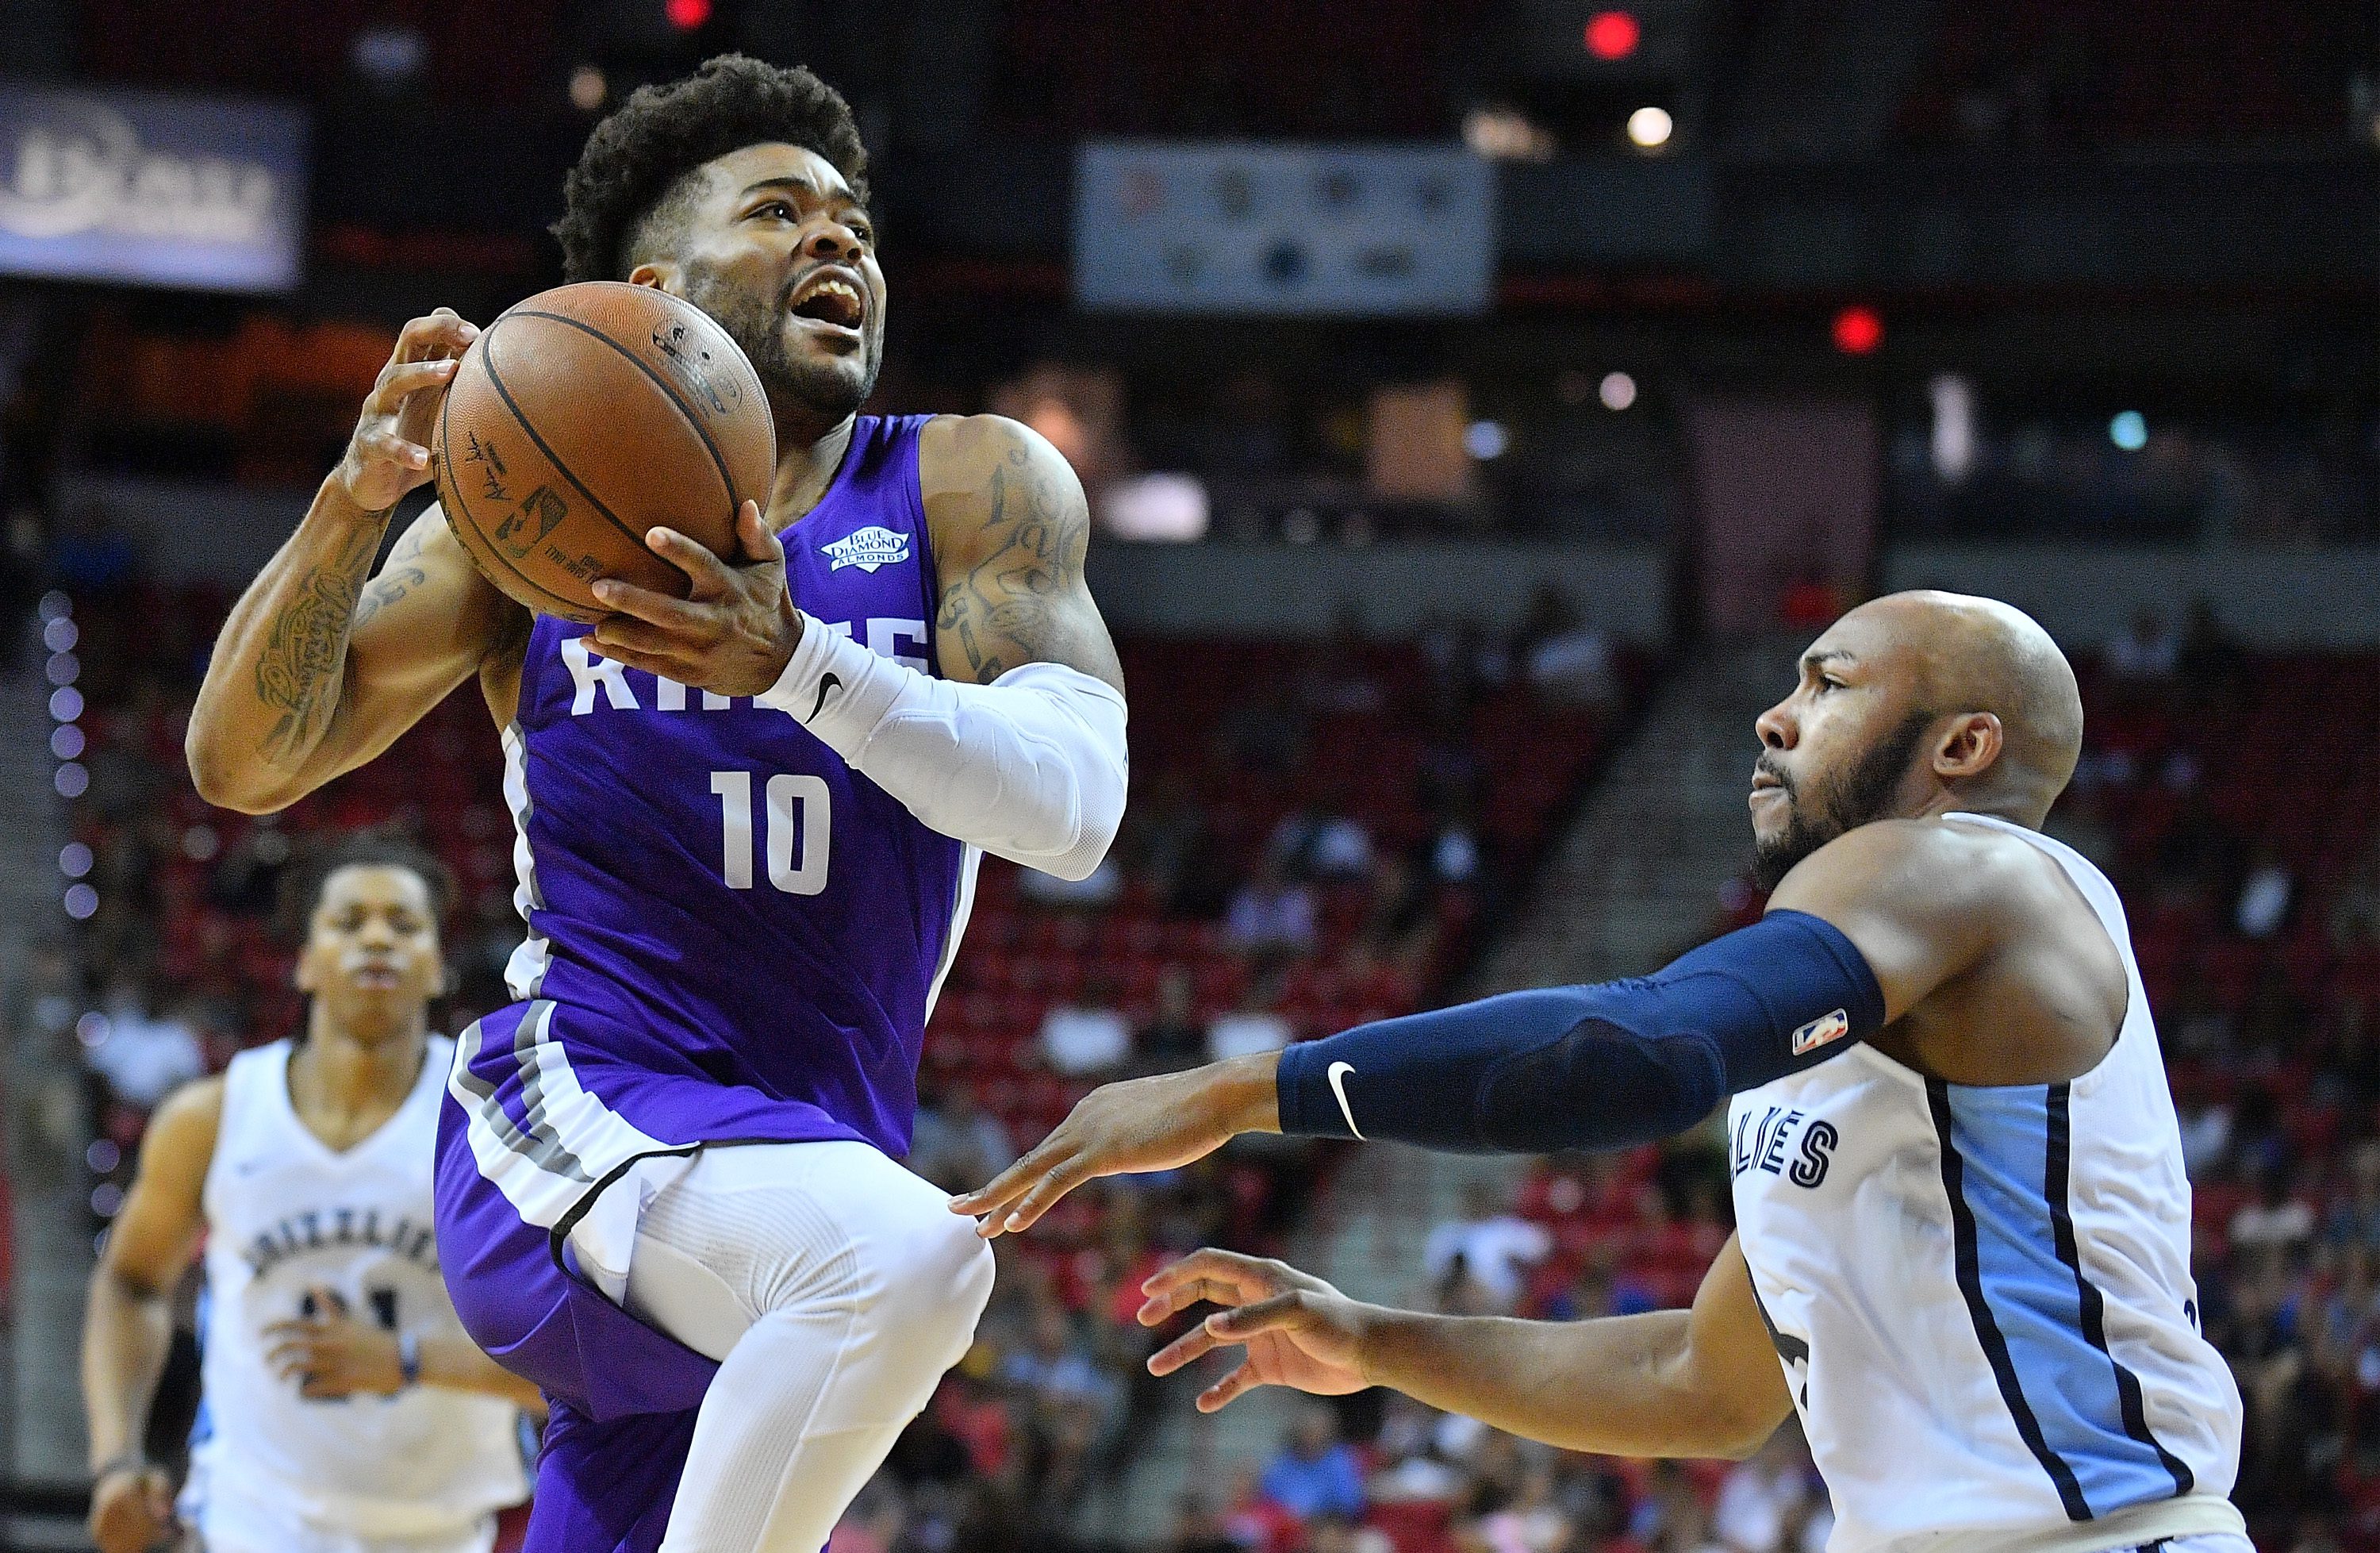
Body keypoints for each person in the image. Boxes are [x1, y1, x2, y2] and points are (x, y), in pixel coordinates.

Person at [183, 56, 1128, 1553]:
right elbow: (244, 762)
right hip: (573, 1118)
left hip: (791, 1182)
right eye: (781, 210)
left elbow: (1077, 807)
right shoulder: (529, 530)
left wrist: (801, 665)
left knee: (865, 1277)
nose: (841, 241)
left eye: (856, 220)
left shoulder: (967, 486)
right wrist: (348, 507)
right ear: (655, 286)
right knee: (914, 1264)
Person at [958, 591, 2251, 1553]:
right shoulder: (1883, 1032)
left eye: (1832, 681)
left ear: (1959, 748)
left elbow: (1630, 1052)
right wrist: (1371, 1337)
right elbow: (1700, 1381)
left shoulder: (1959, 863)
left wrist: (1241, 1090)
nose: (1775, 710)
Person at [81, 837, 540, 1553]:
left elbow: (569, 1361)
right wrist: (116, 1459)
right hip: (247, 1520)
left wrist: (403, 1359)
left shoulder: (493, 1122)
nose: (378, 937)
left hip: (442, 1530)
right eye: (349, 921)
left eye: (404, 923)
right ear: (304, 962)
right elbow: (131, 1282)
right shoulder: (212, 1116)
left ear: (437, 969)